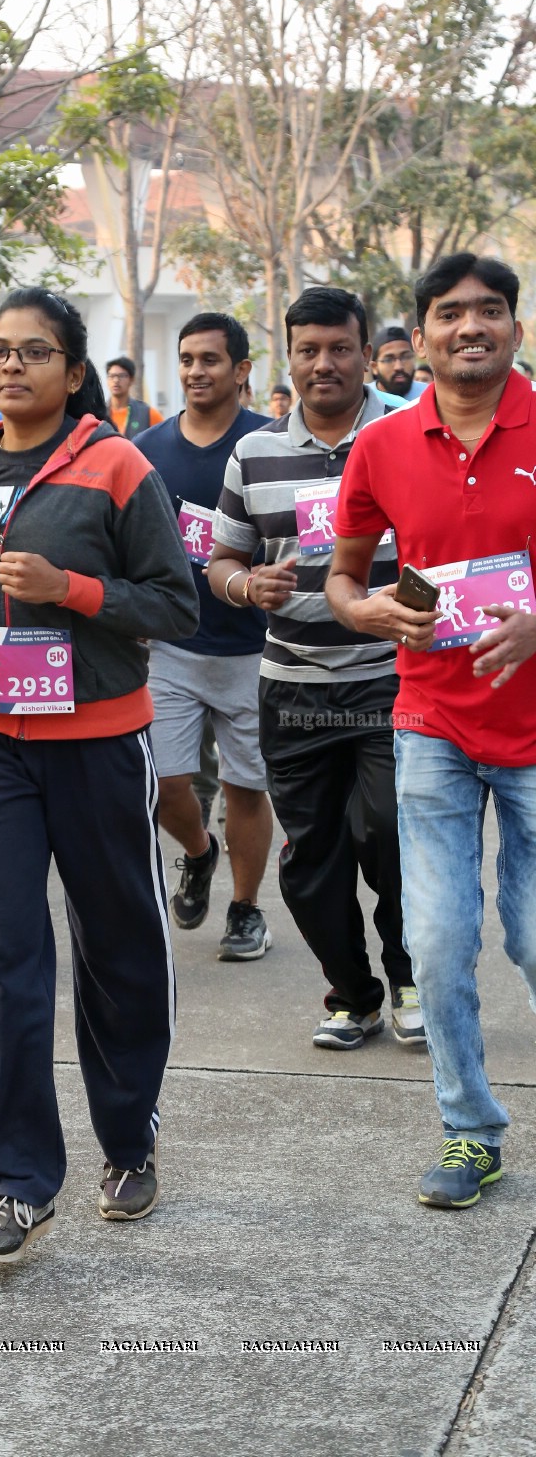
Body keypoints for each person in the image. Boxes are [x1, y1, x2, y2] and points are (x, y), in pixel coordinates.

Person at [0, 287, 199, 1263]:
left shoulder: (119, 466)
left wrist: (71, 588)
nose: (11, 366)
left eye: (35, 352)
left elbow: (176, 604)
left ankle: (129, 1142)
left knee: (116, 944)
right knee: (4, 950)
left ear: (73, 373)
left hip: (97, 741)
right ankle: (18, 1183)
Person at [327, 252, 536, 1208]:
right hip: (432, 724)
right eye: (451, 313)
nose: (471, 327)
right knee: (442, 940)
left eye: (490, 311)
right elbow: (344, 575)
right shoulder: (381, 446)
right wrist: (367, 612)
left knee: (532, 939)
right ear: (422, 333)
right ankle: (469, 1132)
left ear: (515, 331)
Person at [208, 285, 423, 1052]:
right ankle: (352, 993)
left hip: (394, 677)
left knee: (391, 836)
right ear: (288, 358)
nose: (324, 364)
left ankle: (409, 976)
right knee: (311, 859)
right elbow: (223, 558)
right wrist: (243, 585)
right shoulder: (254, 452)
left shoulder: (410, 433)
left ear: (368, 354)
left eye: (340, 348)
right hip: (292, 683)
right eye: (309, 350)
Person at [135, 313, 273, 960]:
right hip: (171, 648)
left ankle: (246, 911)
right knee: (161, 781)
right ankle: (198, 850)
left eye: (210, 359)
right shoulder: (147, 451)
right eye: (187, 358)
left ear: (242, 371)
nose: (196, 370)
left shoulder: (270, 446)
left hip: (255, 650)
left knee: (247, 786)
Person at [105, 355, 163, 437]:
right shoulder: (99, 413)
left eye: (121, 376)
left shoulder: (147, 413)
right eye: (112, 376)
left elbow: (165, 439)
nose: (116, 380)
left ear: (131, 380)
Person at [371, 325, 424, 402]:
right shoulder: (363, 399)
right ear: (374, 367)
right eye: (389, 360)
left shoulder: (430, 396)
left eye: (405, 357)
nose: (398, 367)